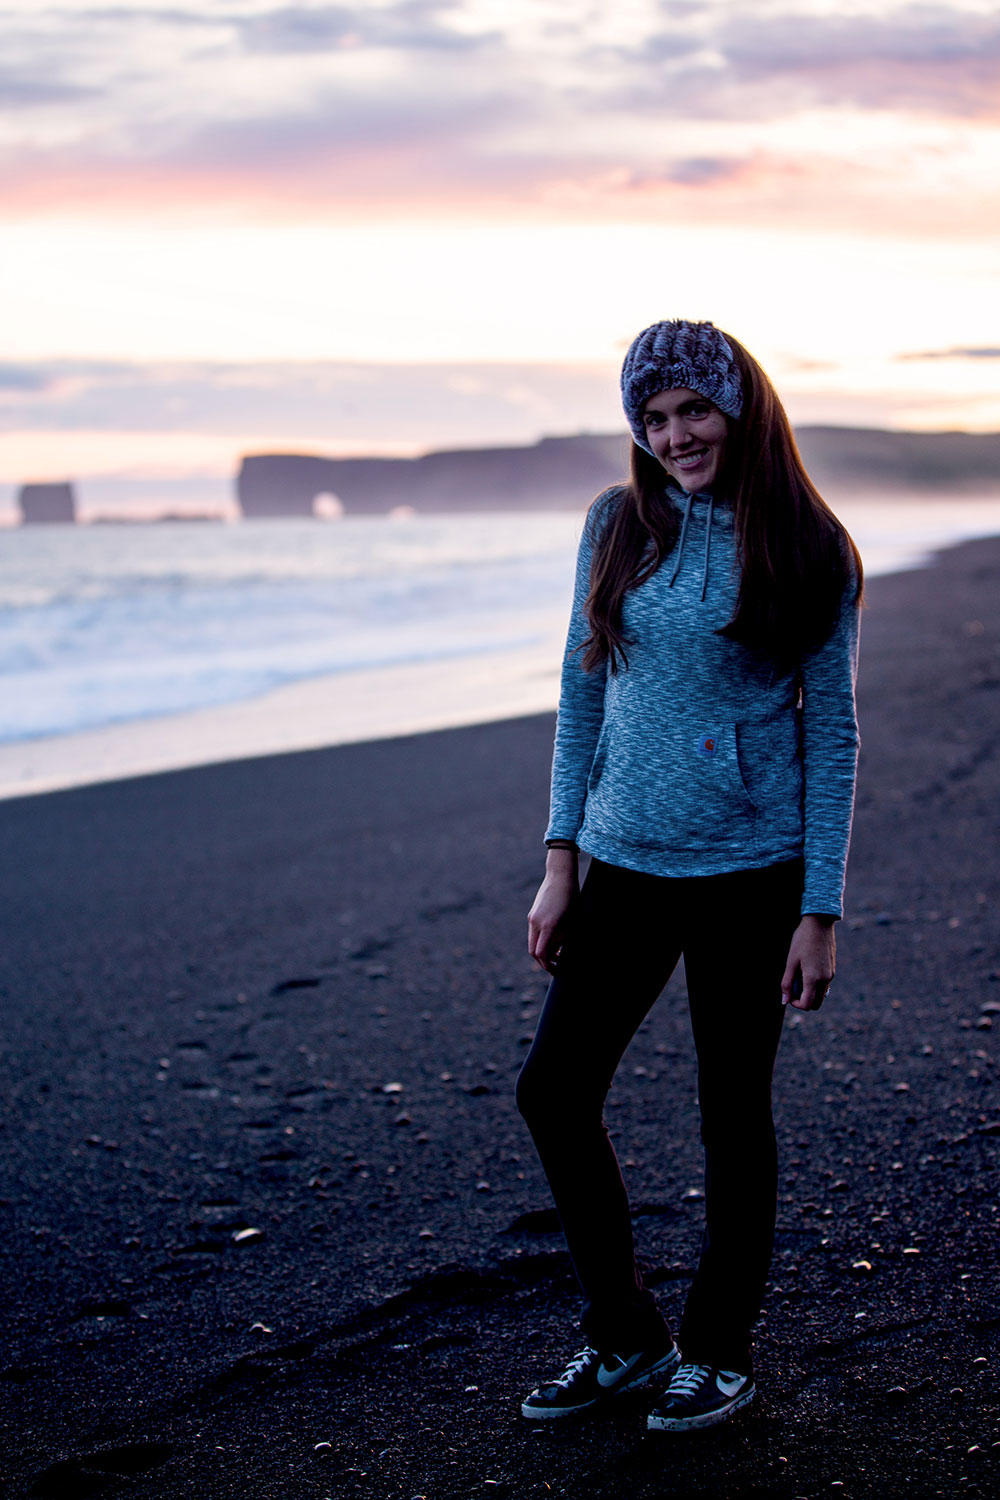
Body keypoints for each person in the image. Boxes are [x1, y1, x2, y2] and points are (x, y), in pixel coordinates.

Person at [515, 319, 862, 1433]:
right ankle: (623, 1336)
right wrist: (559, 857)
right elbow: (583, 690)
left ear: (740, 407)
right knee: (553, 1093)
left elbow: (834, 736)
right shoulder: (617, 524)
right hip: (621, 860)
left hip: (750, 876)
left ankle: (716, 1349)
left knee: (731, 1114)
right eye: (653, 419)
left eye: (692, 411)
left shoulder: (810, 547)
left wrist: (820, 906)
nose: (674, 436)